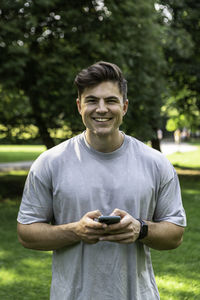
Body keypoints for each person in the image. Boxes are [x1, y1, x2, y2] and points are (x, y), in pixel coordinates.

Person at [17, 61, 186, 300]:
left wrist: (140, 229)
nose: (102, 108)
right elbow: (26, 233)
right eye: (92, 100)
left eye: (111, 101)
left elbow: (175, 235)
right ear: (79, 106)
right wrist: (76, 230)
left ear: (124, 106)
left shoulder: (156, 163)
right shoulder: (49, 162)